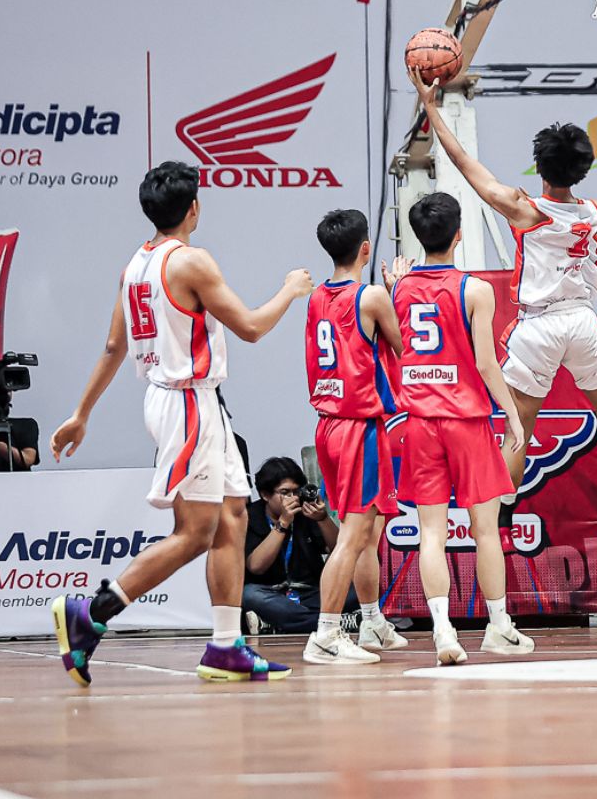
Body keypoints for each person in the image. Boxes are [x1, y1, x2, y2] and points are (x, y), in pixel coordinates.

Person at [49, 161, 313, 685]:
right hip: (187, 403)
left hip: (189, 400)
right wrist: (291, 288)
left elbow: (112, 346)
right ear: (193, 208)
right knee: (196, 533)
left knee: (235, 515)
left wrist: (82, 413)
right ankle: (91, 614)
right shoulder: (191, 262)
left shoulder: (135, 266)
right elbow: (253, 328)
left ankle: (225, 647)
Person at [409, 70, 597, 553]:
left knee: (519, 428)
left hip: (538, 326)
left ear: (539, 164)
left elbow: (469, 167)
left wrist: (431, 108)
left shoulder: (525, 208)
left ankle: (503, 523)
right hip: (583, 320)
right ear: (583, 168)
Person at [386, 192, 532, 665]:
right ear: (459, 233)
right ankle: (498, 627)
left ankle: (443, 633)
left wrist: (397, 284)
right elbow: (489, 365)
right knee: (485, 530)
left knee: (432, 533)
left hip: (421, 423)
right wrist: (511, 414)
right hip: (466, 421)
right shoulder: (476, 289)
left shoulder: (400, 288)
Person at [301, 208, 409, 664]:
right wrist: (398, 288)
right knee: (354, 533)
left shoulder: (316, 297)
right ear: (366, 248)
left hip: (328, 423)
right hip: (359, 425)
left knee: (368, 530)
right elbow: (404, 344)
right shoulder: (372, 297)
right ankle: (326, 633)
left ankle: (371, 621)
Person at [243, 457, 346, 634]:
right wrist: (283, 523)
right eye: (285, 492)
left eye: (296, 491)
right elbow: (256, 566)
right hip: (270, 592)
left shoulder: (305, 512)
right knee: (249, 595)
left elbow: (339, 551)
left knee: (356, 588)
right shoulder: (250, 516)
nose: (293, 498)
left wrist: (323, 518)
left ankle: (273, 624)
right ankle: (338, 623)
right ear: (265, 495)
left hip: (309, 592)